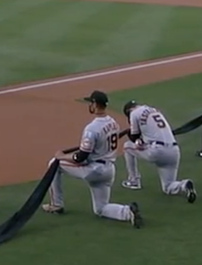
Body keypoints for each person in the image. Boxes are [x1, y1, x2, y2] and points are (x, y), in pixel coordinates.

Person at [42, 91, 142, 228]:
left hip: (94, 170)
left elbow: (80, 157)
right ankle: (127, 212)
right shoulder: (113, 123)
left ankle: (56, 205)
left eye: (91, 102)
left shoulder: (92, 128)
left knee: (54, 163)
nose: (90, 105)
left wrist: (62, 156)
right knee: (101, 208)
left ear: (95, 105)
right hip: (109, 170)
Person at [120, 100, 196, 202]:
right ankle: (184, 185)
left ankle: (134, 181)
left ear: (129, 110)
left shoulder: (134, 113)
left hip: (157, 151)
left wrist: (129, 133)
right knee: (168, 187)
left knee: (127, 147)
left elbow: (135, 137)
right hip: (174, 151)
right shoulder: (154, 110)